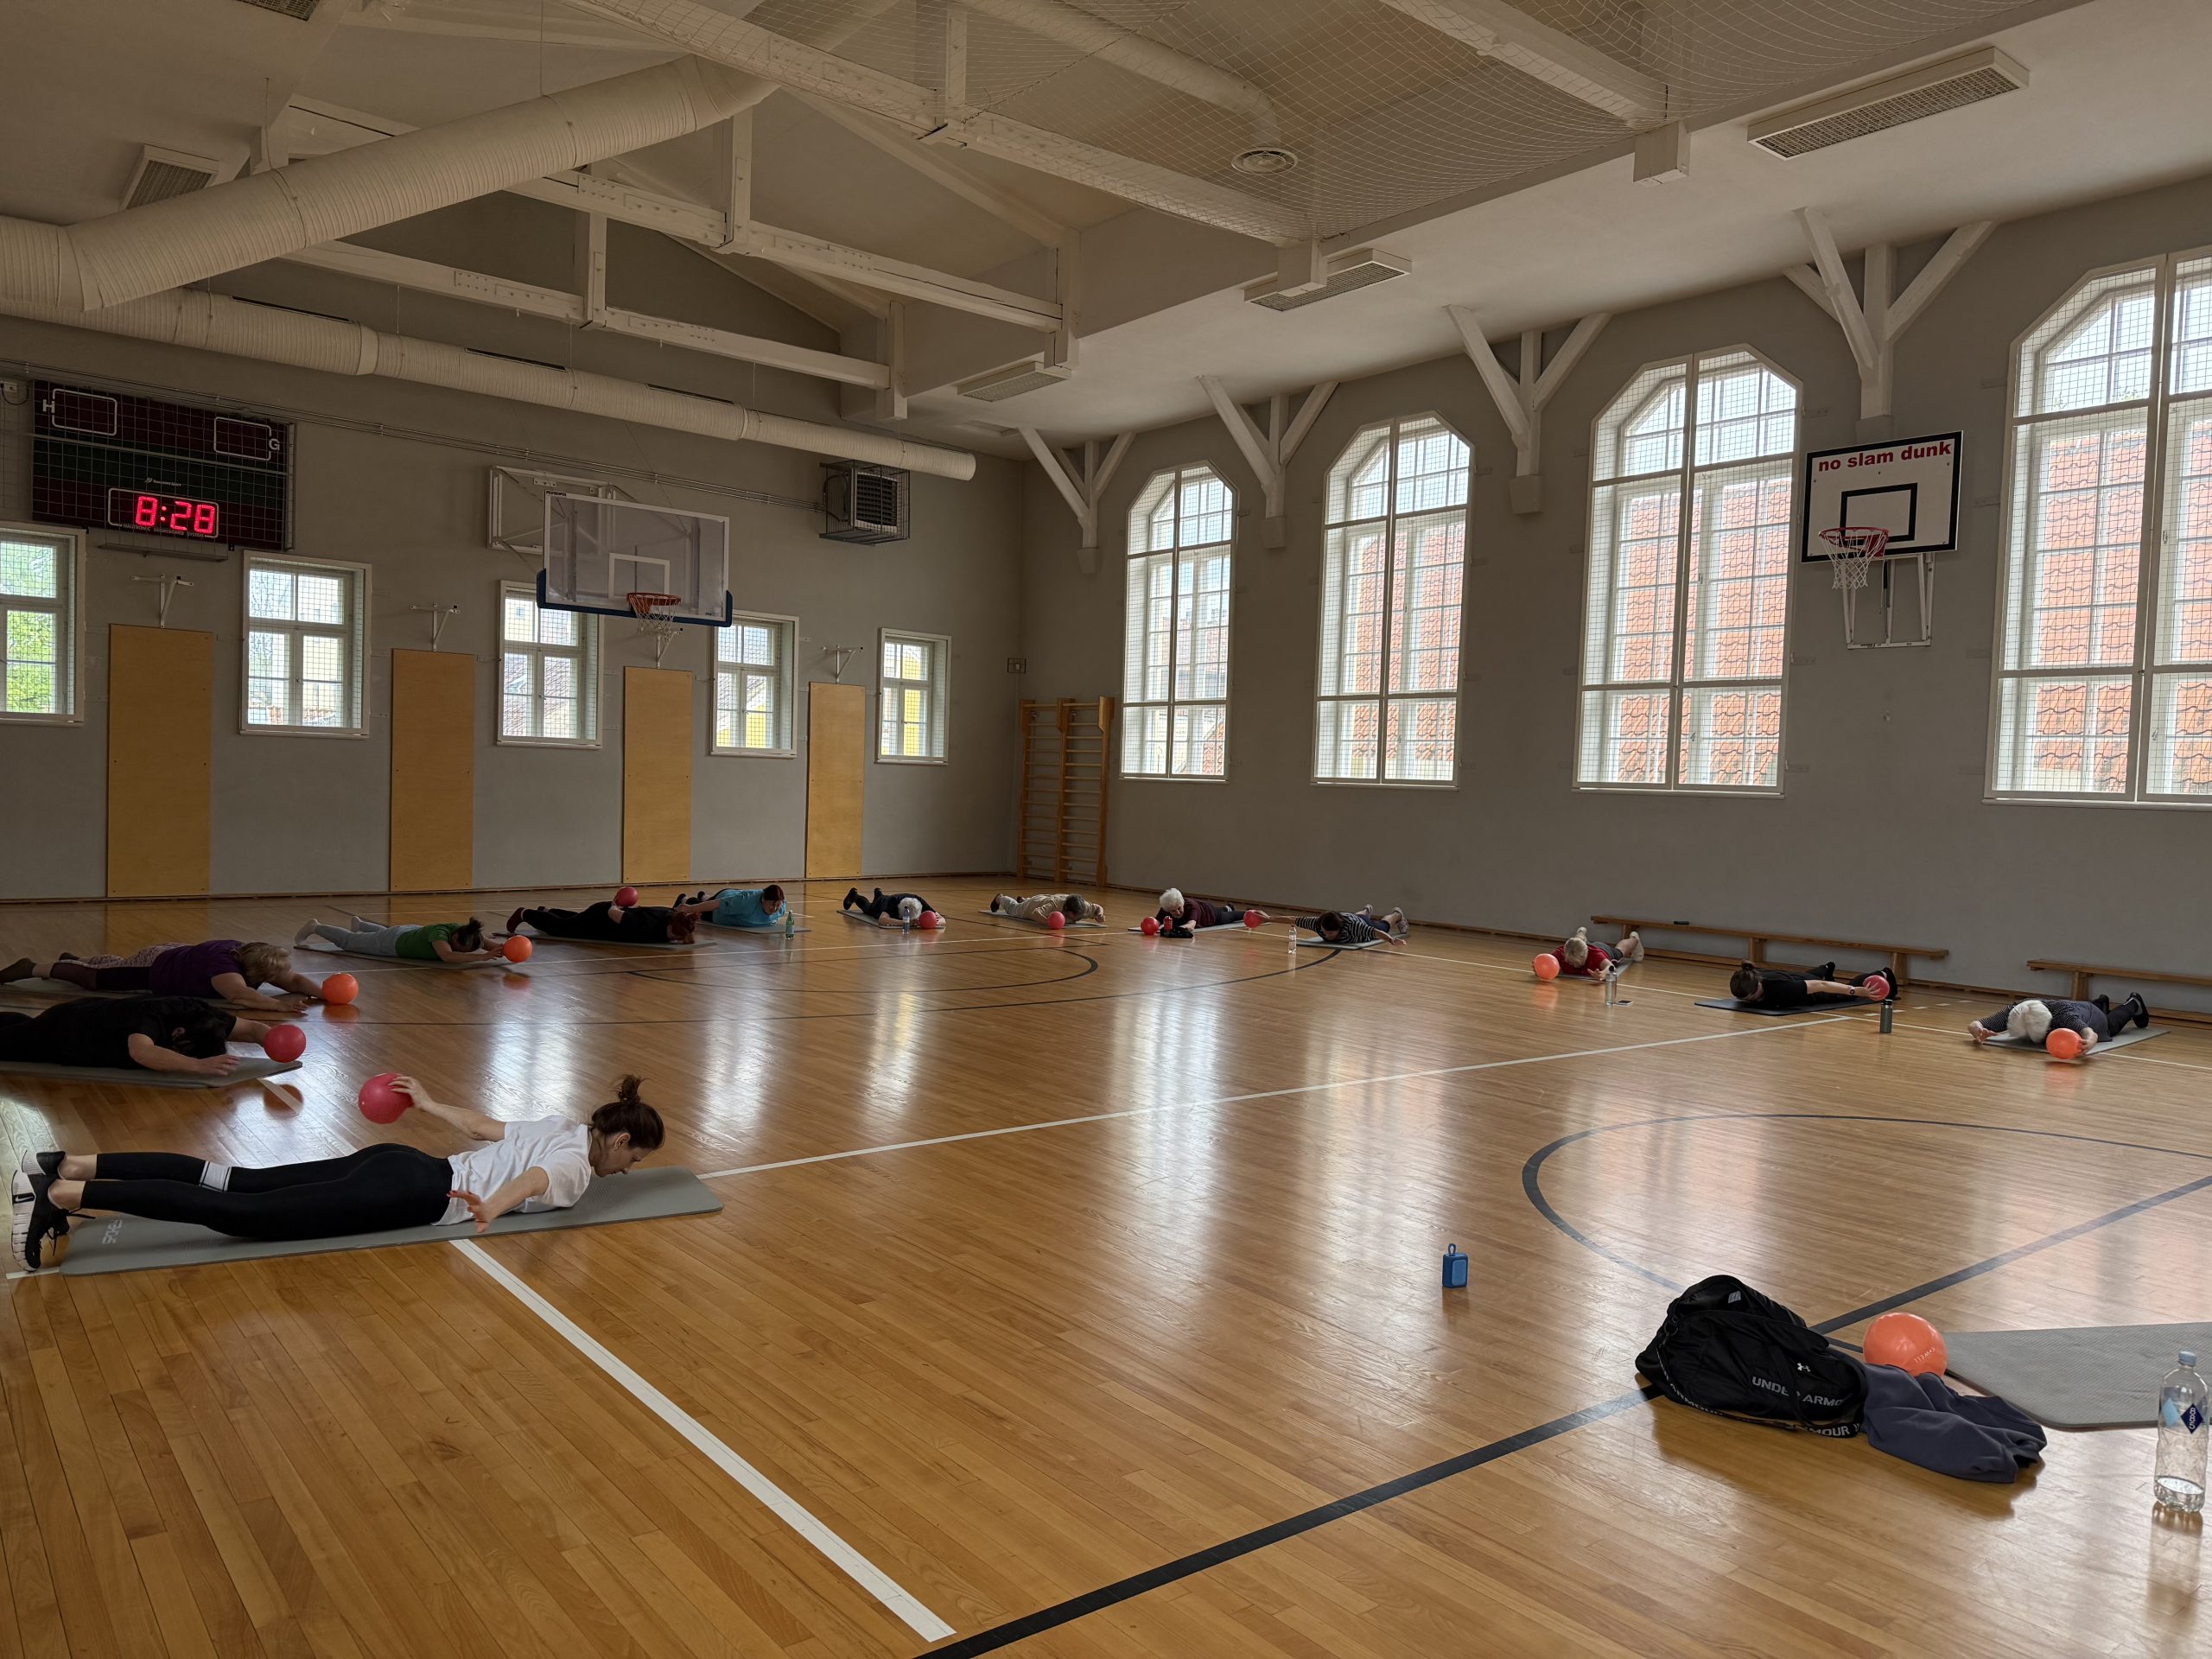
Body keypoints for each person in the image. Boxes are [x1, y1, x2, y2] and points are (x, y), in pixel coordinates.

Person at [11, 1074, 664, 1271]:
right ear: (621, 1139)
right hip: (415, 1191)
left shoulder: (561, 1126)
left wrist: (429, 1102)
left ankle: (68, 1163)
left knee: (232, 1181)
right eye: (633, 1159)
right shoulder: (577, 1165)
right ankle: (62, 1195)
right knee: (238, 1215)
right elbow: (537, 1183)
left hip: (401, 1160)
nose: (625, 1172)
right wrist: (491, 1207)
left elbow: (479, 1126)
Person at [1, 939, 321, 1012]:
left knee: (114, 966)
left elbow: (293, 980)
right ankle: (30, 967)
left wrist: (326, 993)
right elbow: (239, 995)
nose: (277, 979)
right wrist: (279, 1006)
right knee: (95, 980)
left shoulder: (253, 954)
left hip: (177, 956)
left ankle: (78, 960)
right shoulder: (225, 969)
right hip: (158, 966)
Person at [0, 995, 276, 1077]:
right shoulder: (147, 1019)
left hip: (88, 1012)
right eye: (183, 1050)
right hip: (65, 1033)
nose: (180, 1054)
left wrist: (275, 1041)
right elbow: (141, 1052)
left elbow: (252, 1029)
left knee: (20, 1028)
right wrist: (197, 1066)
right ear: (178, 1033)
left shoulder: (204, 1014)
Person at [1968, 992, 2147, 1052]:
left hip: (2089, 1015)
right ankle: (2101, 1002)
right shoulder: (2018, 1010)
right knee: (2083, 1008)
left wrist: (2090, 1042)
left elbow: (2089, 1034)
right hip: (2078, 1006)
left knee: (2110, 1025)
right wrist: (1978, 1030)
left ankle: (2133, 1003)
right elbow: (1975, 1024)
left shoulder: (2064, 1018)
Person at [293, 914, 497, 963]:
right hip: (392, 943)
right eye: (458, 947)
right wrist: (481, 957)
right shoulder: (440, 935)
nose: (457, 950)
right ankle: (316, 927)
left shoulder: (467, 932)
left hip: (406, 933)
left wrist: (504, 949)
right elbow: (447, 956)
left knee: (382, 932)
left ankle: (361, 925)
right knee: (349, 942)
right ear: (455, 937)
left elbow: (488, 944)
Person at [505, 900, 698, 944]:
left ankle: (547, 911)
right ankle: (525, 914)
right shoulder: (645, 926)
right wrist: (616, 904)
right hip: (602, 916)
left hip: (606, 917)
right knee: (562, 928)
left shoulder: (672, 915)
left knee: (573, 920)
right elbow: (614, 914)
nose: (673, 940)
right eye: (674, 936)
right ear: (670, 927)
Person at [1727, 961, 1895, 1009]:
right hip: (1797, 978)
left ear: (1759, 984)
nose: (1752, 999)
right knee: (1807, 977)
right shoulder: (1747, 975)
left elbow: (1821, 985)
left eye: (1754, 995)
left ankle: (1883, 972)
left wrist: (1856, 991)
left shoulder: (1781, 988)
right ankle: (1826, 968)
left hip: (1812, 989)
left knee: (1842, 995)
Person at [673, 885, 787, 929]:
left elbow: (778, 905)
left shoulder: (781, 908)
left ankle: (704, 896)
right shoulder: (745, 903)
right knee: (701, 910)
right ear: (763, 900)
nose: (775, 909)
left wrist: (777, 906)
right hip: (724, 902)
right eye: (772, 905)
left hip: (737, 895)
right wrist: (689, 908)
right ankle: (683, 899)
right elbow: (716, 904)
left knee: (708, 900)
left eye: (778, 905)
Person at [1154, 889, 1267, 933]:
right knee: (1223, 910)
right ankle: (1227, 907)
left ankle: (1250, 912)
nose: (1178, 912)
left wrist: (1174, 930)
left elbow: (1191, 926)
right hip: (1203, 908)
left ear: (1182, 903)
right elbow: (1156, 921)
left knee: (1230, 917)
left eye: (1179, 908)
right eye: (1173, 911)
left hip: (1210, 915)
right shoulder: (1166, 907)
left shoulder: (1190, 907)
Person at [1296, 906, 1408, 947]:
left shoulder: (1353, 927)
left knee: (1383, 926)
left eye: (1330, 933)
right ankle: (1365, 911)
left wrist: (1391, 940)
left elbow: (1375, 932)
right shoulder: (1318, 924)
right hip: (1351, 917)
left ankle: (1397, 915)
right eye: (1324, 932)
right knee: (1356, 917)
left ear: (1339, 928)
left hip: (1362, 921)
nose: (1326, 936)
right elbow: (1293, 919)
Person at [1555, 925, 1643, 978]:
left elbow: (1611, 967)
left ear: (1585, 955)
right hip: (1579, 946)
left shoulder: (1596, 956)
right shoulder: (1562, 952)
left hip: (1603, 949)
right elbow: (1547, 959)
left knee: (1620, 950)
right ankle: (1581, 932)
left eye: (1576, 962)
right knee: (1576, 942)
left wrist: (1604, 974)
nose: (1574, 966)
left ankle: (1634, 939)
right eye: (1570, 962)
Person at [992, 892, 1106, 925]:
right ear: (1066, 910)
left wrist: (1100, 915)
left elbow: (1097, 907)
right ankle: (1000, 898)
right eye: (1072, 916)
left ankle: (1024, 900)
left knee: (1035, 901)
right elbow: (1036, 913)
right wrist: (1049, 922)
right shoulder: (1055, 905)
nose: (1076, 918)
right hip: (1034, 905)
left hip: (1046, 899)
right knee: (1014, 909)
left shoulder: (1083, 908)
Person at [842, 887, 931, 925]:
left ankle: (878, 894)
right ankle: (855, 896)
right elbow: (882, 920)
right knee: (868, 909)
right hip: (880, 904)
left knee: (881, 898)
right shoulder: (891, 904)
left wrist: (934, 919)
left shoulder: (918, 899)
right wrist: (905, 923)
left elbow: (938, 916)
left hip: (886, 899)